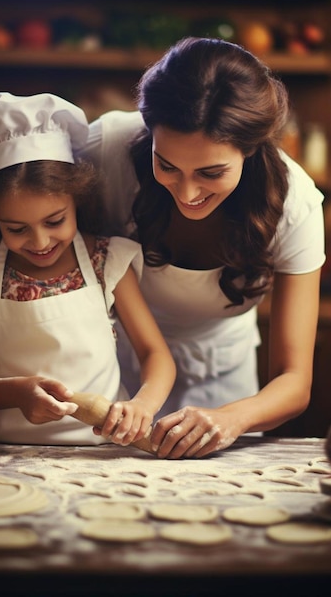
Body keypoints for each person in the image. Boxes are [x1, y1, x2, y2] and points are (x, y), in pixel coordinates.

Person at [78, 37, 326, 459]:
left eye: (211, 172)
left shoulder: (295, 204)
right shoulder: (106, 148)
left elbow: (293, 380)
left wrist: (231, 418)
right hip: (109, 370)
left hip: (225, 382)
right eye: (167, 165)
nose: (187, 191)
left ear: (250, 149)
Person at [0, 92, 176, 446]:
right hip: (4, 451)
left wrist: (142, 406)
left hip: (99, 453)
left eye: (55, 221)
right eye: (16, 228)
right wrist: (19, 392)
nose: (40, 241)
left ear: (76, 198)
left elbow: (156, 354)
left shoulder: (106, 261)